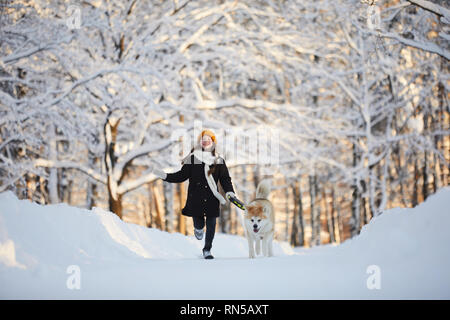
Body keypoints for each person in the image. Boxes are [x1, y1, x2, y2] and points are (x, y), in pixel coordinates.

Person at [151, 129, 238, 259]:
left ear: (213, 142)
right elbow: (181, 176)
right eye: (203, 140)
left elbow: (225, 179)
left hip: (212, 197)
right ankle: (198, 228)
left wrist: (230, 192)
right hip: (195, 197)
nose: (205, 142)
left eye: (208, 140)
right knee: (199, 223)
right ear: (200, 142)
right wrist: (165, 176)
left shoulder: (218, 160)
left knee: (211, 224)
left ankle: (207, 249)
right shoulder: (193, 158)